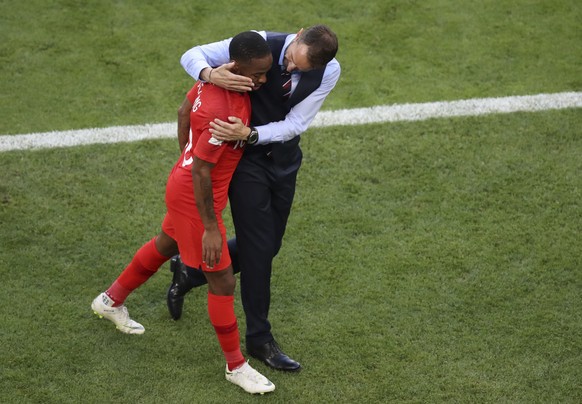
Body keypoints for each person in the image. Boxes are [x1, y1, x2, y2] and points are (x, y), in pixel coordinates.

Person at [91, 31, 276, 394]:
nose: (263, 80)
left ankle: (109, 301)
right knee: (222, 281)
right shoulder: (227, 108)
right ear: (237, 67)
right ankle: (236, 366)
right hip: (195, 197)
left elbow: (182, 111)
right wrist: (210, 226)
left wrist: (184, 156)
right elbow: (204, 171)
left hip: (185, 183)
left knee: (164, 245)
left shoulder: (213, 79)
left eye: (266, 72)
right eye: (257, 74)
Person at [167, 25, 340, 372]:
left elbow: (295, 124)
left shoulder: (329, 71)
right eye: (291, 60)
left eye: (301, 70)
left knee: (269, 244)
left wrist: (252, 133)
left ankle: (190, 273)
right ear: (298, 34)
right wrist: (209, 72)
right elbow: (192, 53)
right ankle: (260, 339)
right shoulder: (260, 42)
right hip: (247, 166)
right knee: (260, 250)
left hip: (283, 160)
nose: (290, 69)